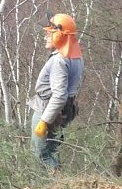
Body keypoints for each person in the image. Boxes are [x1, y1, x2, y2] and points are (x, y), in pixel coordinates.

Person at [28, 12, 84, 170]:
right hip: (65, 110)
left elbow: (59, 96)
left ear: (60, 35)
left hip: (49, 110)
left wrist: (44, 121)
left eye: (49, 33)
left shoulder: (60, 60)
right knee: (51, 151)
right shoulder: (75, 57)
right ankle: (57, 186)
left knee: (41, 155)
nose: (45, 37)